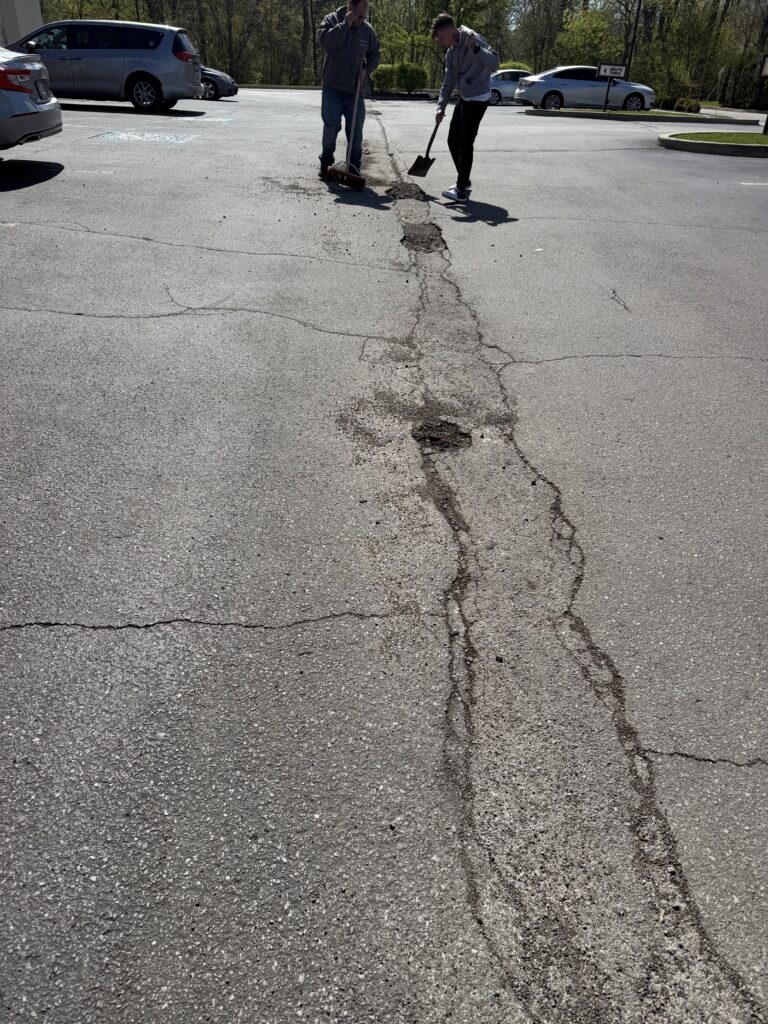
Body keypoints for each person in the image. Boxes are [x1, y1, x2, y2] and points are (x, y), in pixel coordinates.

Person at [432, 12, 499, 203]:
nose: (442, 42)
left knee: (465, 141)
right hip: (465, 97)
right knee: (453, 140)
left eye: (441, 38)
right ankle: (465, 180)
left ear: (448, 30)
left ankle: (460, 190)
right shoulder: (451, 53)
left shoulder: (473, 38)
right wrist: (440, 107)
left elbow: (494, 63)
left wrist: (476, 49)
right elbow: (448, 82)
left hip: (479, 97)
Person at [318, 0, 380, 180]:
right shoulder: (331, 20)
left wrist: (367, 70)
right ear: (350, 9)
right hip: (332, 89)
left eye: (365, 16)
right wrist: (345, 25)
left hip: (355, 92)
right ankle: (326, 164)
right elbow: (327, 43)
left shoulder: (367, 30)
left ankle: (353, 170)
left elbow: (375, 53)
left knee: (356, 133)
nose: (362, 19)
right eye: (360, 15)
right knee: (331, 128)